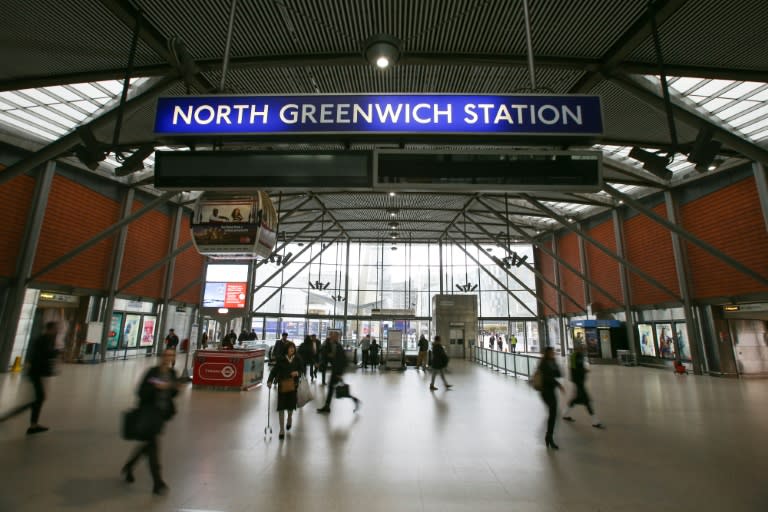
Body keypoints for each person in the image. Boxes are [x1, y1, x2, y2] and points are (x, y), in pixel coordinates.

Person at [121, 349, 179, 495]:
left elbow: (173, 392)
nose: (167, 358)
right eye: (165, 355)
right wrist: (156, 387)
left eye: (170, 356)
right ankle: (157, 482)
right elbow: (141, 392)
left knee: (148, 444)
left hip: (162, 414)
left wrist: (173, 388)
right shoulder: (152, 372)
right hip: (149, 413)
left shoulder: (172, 374)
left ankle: (129, 466)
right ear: (161, 357)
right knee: (153, 446)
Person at [0, 322, 59, 434]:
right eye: (56, 328)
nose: (57, 330)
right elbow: (44, 355)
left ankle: (32, 424)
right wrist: (56, 352)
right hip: (36, 373)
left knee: (38, 398)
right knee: (38, 398)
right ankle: (28, 423)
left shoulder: (44, 339)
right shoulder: (44, 340)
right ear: (50, 329)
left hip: (36, 373)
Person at [562, 344, 605, 429]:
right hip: (578, 382)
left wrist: (584, 370)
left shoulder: (580, 355)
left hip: (580, 381)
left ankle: (565, 413)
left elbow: (579, 367)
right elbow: (573, 369)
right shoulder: (574, 356)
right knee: (587, 401)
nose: (584, 349)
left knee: (576, 400)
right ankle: (595, 421)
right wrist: (579, 377)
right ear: (577, 348)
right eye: (582, 348)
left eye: (584, 348)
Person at [267, 341, 303, 439]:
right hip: (282, 385)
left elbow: (302, 370)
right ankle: (281, 430)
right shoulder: (281, 360)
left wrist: (297, 373)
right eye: (290, 348)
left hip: (293, 386)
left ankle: (290, 417)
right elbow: (274, 371)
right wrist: (269, 381)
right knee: (281, 407)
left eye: (293, 348)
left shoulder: (297, 359)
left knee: (291, 406)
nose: (292, 349)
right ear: (286, 349)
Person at [317, 332, 360, 413]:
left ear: (337, 337)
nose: (331, 337)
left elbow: (343, 360)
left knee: (337, 389)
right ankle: (327, 406)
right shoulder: (332, 345)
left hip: (337, 371)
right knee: (333, 388)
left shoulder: (338, 346)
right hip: (335, 370)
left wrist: (339, 373)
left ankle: (354, 400)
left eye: (333, 336)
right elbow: (325, 353)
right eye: (331, 336)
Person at [537, 347, 565, 450]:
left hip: (552, 391)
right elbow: (548, 378)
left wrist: (555, 363)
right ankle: (549, 436)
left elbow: (559, 374)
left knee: (553, 414)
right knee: (553, 413)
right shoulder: (543, 364)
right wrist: (558, 384)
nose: (553, 353)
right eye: (552, 352)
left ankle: (549, 436)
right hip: (545, 392)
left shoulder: (552, 362)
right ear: (547, 353)